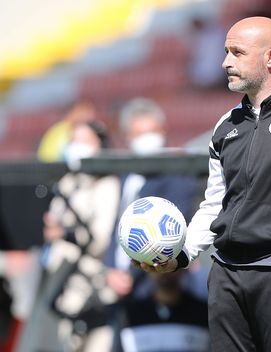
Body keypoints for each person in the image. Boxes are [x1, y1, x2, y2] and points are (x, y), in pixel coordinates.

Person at [134, 16, 271, 351]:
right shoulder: (225, 127)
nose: (225, 62)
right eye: (225, 52)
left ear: (270, 57)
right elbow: (214, 206)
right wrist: (179, 257)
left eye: (237, 53)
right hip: (225, 273)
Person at [103, 97, 202, 348]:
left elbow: (167, 234)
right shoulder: (126, 174)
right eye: (139, 133)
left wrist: (131, 274)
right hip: (119, 290)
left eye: (151, 132)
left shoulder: (176, 174)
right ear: (127, 137)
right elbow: (116, 227)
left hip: (156, 283)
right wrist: (110, 270)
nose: (147, 139)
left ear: (163, 131)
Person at [39, 120, 121, 351]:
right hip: (62, 285)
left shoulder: (106, 184)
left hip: (93, 285)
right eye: (74, 140)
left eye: (85, 141)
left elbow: (99, 239)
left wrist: (64, 233)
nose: (77, 146)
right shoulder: (66, 182)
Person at [120, 271, 209, 352]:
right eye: (154, 262)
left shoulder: (203, 313)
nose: (163, 269)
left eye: (170, 261)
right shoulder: (128, 314)